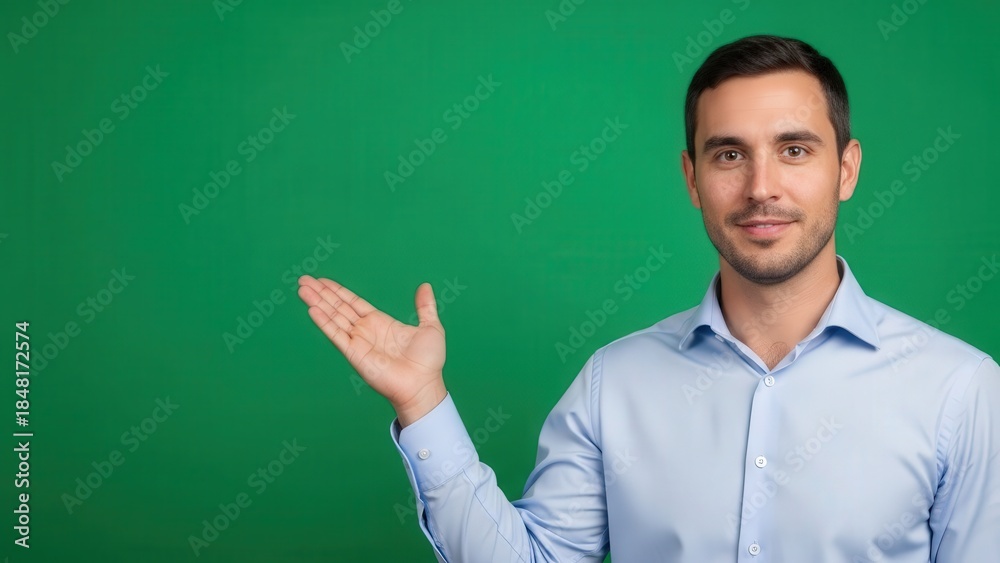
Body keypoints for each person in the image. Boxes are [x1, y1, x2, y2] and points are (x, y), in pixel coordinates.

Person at [297, 34, 1000, 562]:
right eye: (729, 154)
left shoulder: (961, 392)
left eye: (794, 150)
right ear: (692, 178)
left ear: (845, 169)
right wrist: (423, 404)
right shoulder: (615, 383)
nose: (761, 187)